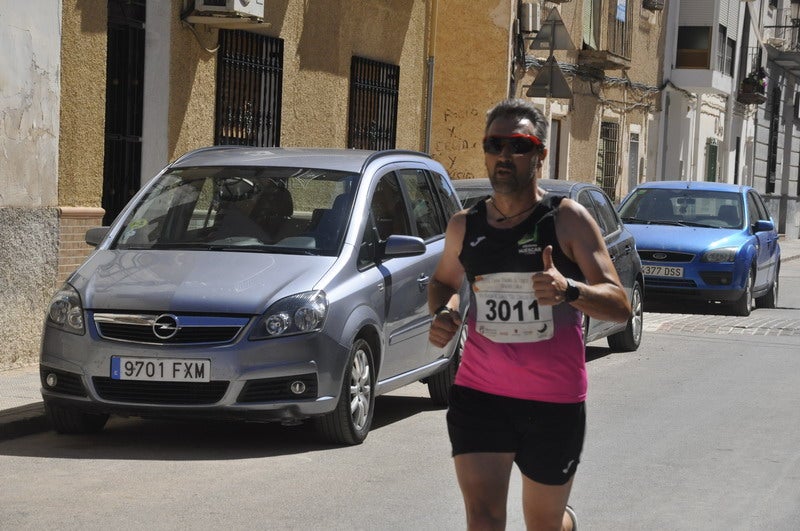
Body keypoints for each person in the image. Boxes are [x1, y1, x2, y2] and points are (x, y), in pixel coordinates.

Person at [428, 98, 631, 530]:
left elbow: (621, 304)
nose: (504, 155)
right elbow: (444, 282)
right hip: (480, 394)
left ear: (540, 154)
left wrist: (570, 290)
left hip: (552, 401)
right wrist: (443, 313)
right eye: (494, 144)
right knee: (483, 520)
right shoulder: (464, 226)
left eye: (518, 145)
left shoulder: (567, 220)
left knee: (543, 524)